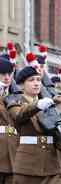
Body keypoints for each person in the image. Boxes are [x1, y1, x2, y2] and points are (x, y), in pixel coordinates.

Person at [8, 66, 61, 184]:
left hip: (52, 163)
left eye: (38, 80)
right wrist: (37, 105)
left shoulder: (49, 103)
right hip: (28, 164)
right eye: (31, 80)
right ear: (21, 85)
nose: (36, 83)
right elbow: (19, 115)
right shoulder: (15, 103)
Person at [0, 56, 18, 184]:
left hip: (13, 150)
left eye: (9, 74)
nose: (7, 77)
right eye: (2, 74)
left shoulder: (16, 96)